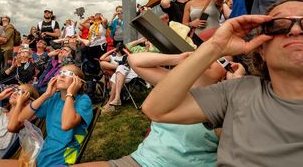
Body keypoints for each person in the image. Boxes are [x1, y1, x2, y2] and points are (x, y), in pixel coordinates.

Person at [142, 0, 303, 166]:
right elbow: (156, 109)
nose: (296, 30)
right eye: (279, 25)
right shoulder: (237, 91)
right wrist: (214, 47)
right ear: (261, 49)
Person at [75, 51, 246, 167]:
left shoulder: (224, 104)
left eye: (219, 58)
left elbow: (232, 144)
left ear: (229, 69)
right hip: (138, 161)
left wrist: (232, 88)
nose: (208, 58)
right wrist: (179, 58)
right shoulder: (176, 86)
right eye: (207, 52)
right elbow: (135, 60)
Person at [0, 64, 93, 167]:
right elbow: (21, 118)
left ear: (79, 82)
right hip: (39, 159)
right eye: (60, 73)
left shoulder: (83, 100)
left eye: (69, 74)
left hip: (61, 162)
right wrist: (45, 95)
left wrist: (70, 94)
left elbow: (66, 124)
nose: (62, 76)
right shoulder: (53, 99)